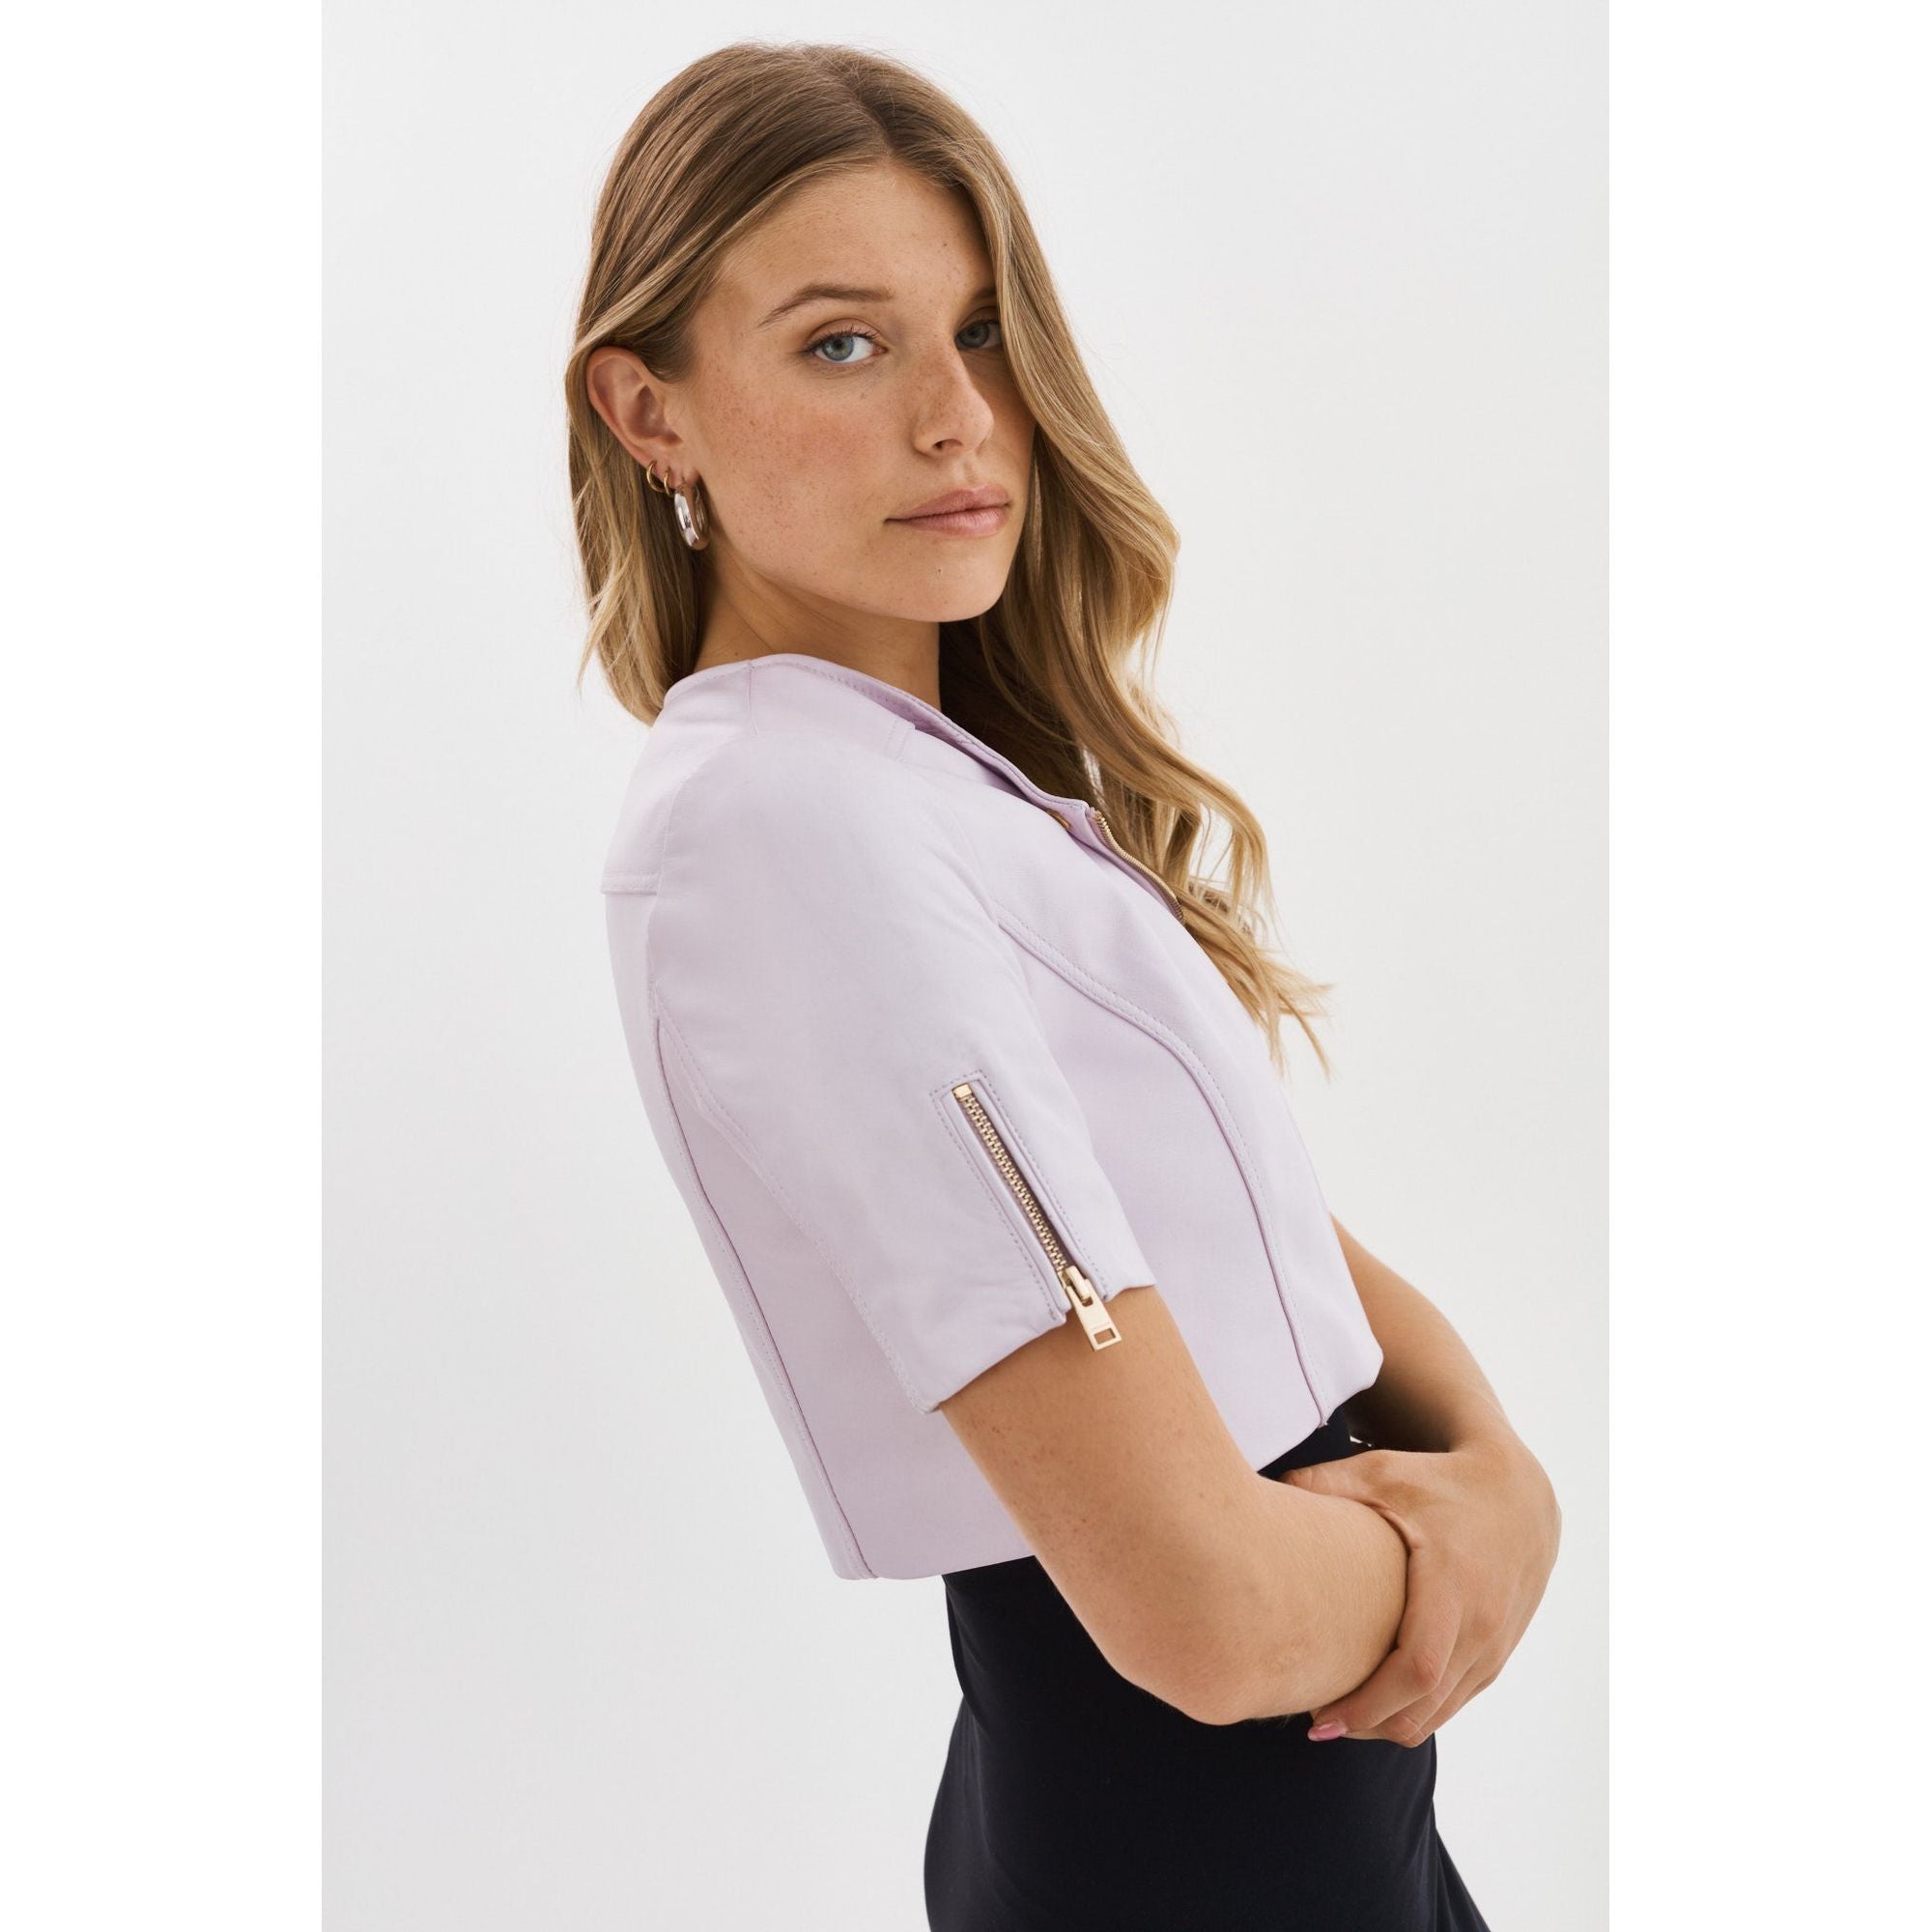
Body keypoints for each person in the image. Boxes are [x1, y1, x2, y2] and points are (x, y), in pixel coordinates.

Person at [568, 41, 1559, 1930]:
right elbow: (1201, 1611)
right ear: (649, 410)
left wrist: (1499, 1476)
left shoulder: (910, 786)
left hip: (1260, 1815)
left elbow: (1253, 1234)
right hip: (1197, 1836)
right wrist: (1471, 1551)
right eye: (842, 344)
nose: (961, 417)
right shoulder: (781, 824)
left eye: (984, 331)